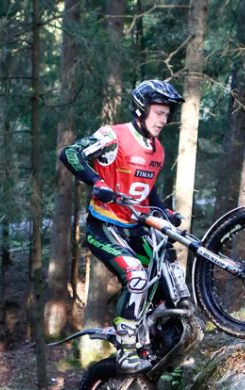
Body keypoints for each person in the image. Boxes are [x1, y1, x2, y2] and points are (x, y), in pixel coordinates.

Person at [59, 80, 184, 373]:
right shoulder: (113, 136)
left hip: (135, 229)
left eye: (167, 114)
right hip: (104, 226)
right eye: (159, 113)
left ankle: (159, 342)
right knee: (137, 276)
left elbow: (149, 192)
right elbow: (70, 154)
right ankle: (126, 349)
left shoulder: (158, 150)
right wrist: (97, 181)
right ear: (141, 110)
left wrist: (166, 212)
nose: (163, 120)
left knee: (167, 275)